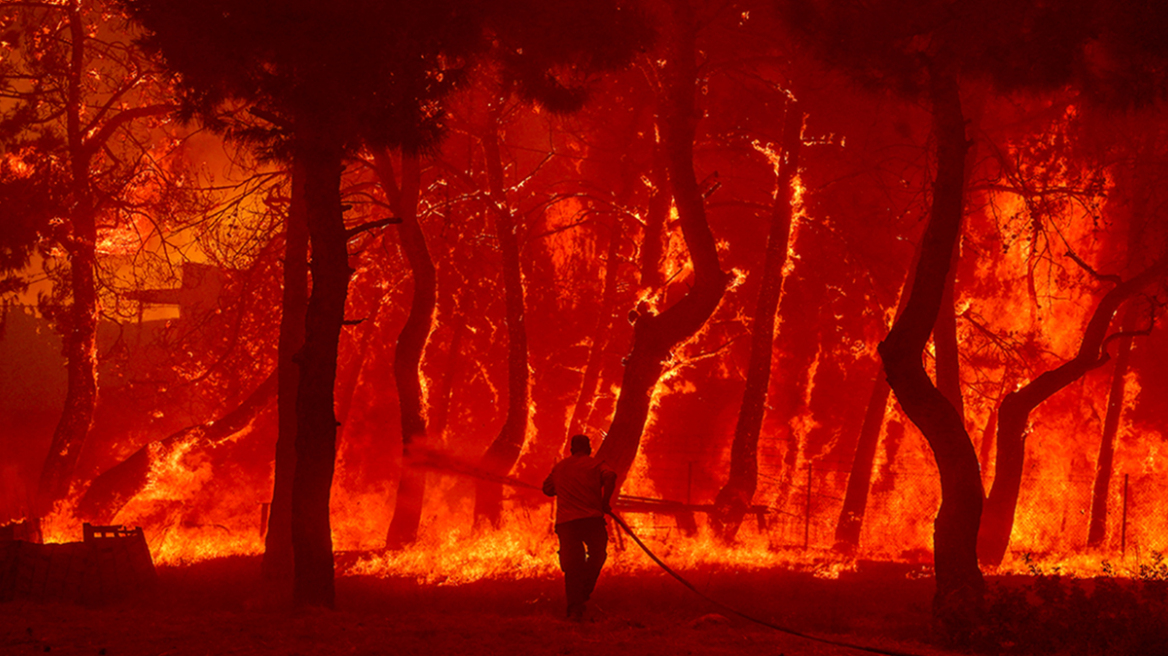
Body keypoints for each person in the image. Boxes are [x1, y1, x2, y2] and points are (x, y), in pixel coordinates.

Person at [542, 434, 617, 621]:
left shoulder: (559, 467)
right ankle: (583, 593)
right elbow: (611, 476)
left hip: (567, 523)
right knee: (598, 555)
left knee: (573, 566)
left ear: (571, 449)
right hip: (591, 519)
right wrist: (604, 502)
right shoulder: (596, 464)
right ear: (589, 449)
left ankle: (575, 606)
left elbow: (547, 489)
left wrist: (564, 486)